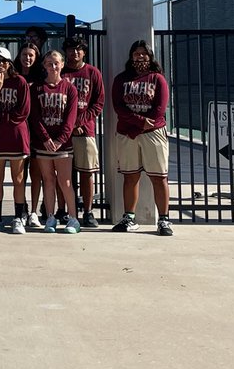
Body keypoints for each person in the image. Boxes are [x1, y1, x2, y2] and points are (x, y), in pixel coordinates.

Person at [112, 40, 173, 236]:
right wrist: (139, 122)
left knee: (159, 177)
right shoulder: (121, 79)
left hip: (153, 133)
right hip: (127, 134)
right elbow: (119, 107)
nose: (140, 57)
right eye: (136, 53)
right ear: (131, 56)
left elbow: (160, 108)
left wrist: (147, 124)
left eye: (143, 53)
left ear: (150, 56)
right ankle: (129, 218)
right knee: (130, 176)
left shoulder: (157, 79)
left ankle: (163, 220)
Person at [0, 46, 31, 233]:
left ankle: (18, 217)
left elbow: (23, 112)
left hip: (17, 136)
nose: (0, 64)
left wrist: (0, 116)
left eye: (3, 60)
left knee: (18, 179)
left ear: (10, 63)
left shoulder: (20, 82)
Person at [30, 51, 80, 233]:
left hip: (63, 145)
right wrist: (45, 138)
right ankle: (50, 218)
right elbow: (34, 117)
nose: (53, 66)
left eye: (56, 63)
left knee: (65, 181)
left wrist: (60, 140)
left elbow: (71, 119)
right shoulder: (36, 88)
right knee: (48, 180)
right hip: (43, 144)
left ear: (62, 64)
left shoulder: (70, 89)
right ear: (44, 65)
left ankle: (73, 218)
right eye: (49, 63)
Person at [62, 36, 105, 229]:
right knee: (63, 174)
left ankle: (88, 212)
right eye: (71, 49)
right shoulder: (60, 71)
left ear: (84, 52)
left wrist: (78, 122)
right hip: (62, 132)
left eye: (78, 49)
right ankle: (63, 211)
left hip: (85, 130)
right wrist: (68, 126)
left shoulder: (92, 73)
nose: (74, 52)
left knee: (87, 173)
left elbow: (98, 103)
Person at [14, 42, 46, 227]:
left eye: (31, 55)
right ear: (19, 57)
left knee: (36, 173)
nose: (27, 58)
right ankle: (23, 208)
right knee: (20, 174)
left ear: (36, 57)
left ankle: (34, 211)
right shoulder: (13, 76)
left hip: (37, 129)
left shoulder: (42, 77)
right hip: (18, 130)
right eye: (24, 54)